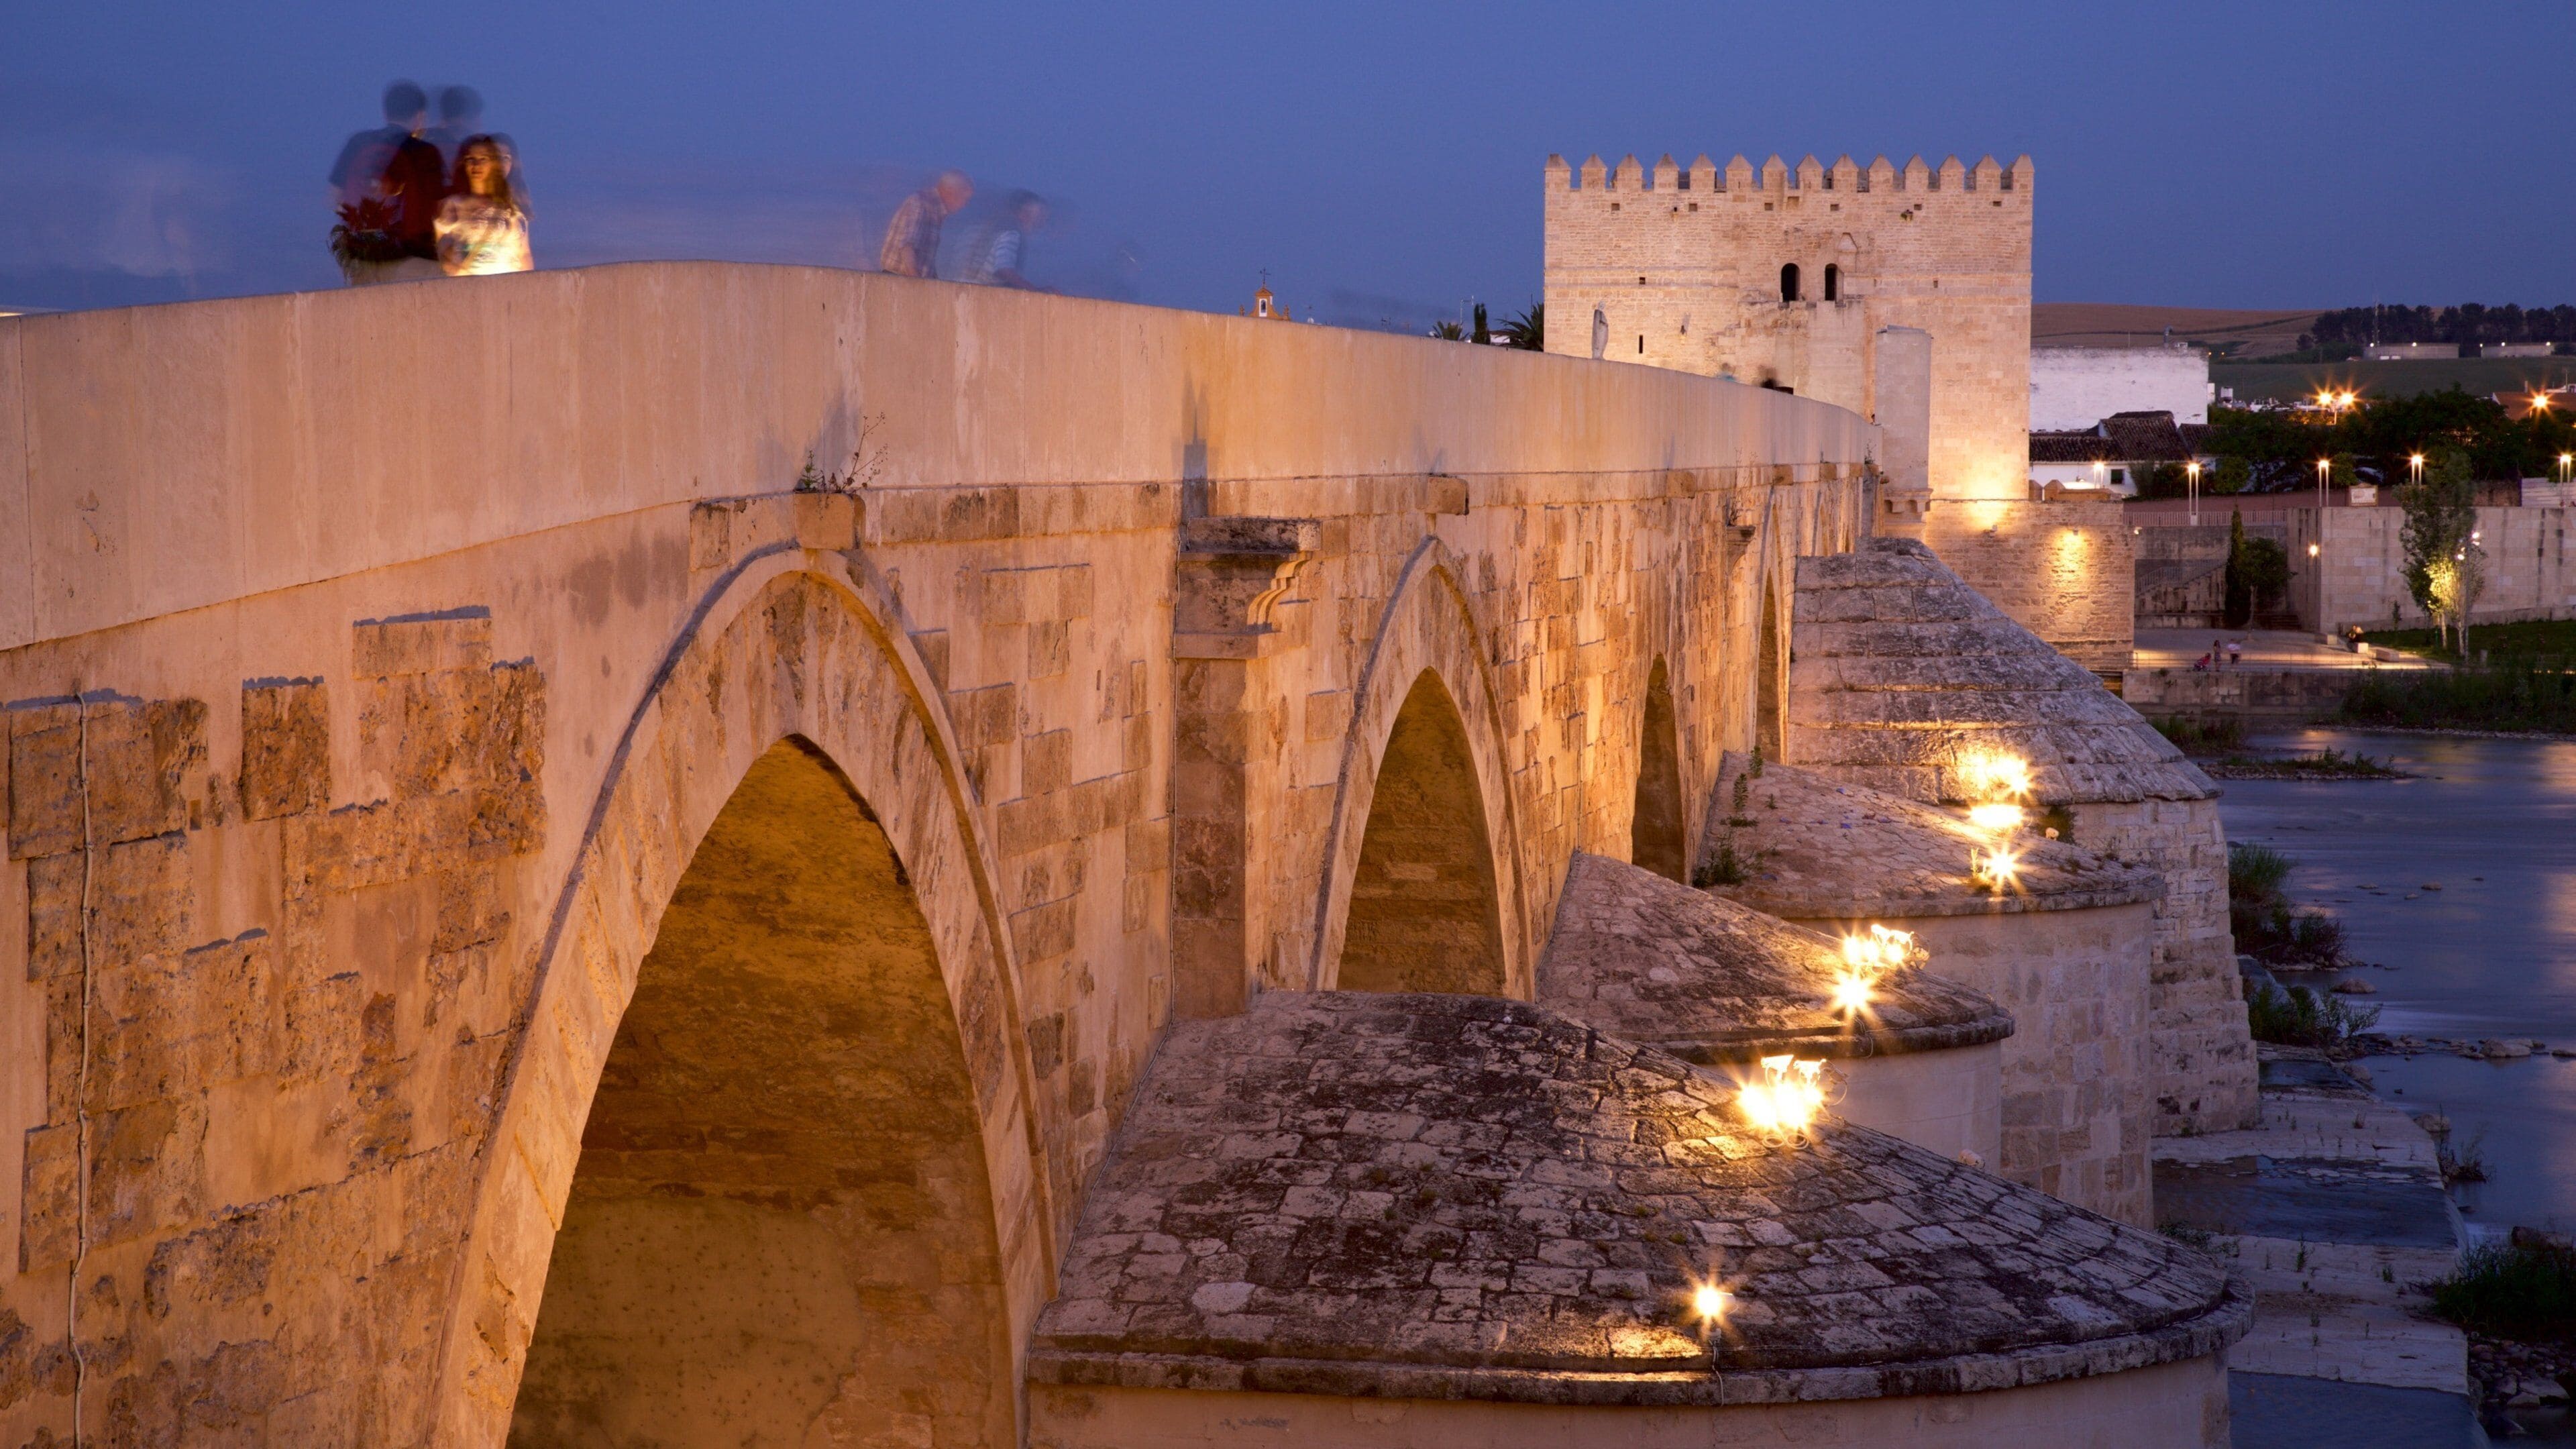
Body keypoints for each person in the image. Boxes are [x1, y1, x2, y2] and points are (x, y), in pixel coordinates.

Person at [327, 81, 445, 262]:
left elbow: (334, 198)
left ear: (385, 113)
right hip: (414, 257)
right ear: (420, 117)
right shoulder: (426, 152)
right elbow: (440, 210)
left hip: (362, 256)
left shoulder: (358, 143)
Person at [435, 136, 531, 276]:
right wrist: (451, 266)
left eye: (483, 159)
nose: (476, 165)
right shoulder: (455, 205)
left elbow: (524, 254)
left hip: (508, 287)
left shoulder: (512, 206)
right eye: (470, 159)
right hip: (470, 287)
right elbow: (439, 246)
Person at [879, 171, 972, 278]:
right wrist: (918, 284)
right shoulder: (921, 202)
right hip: (900, 281)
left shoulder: (936, 211)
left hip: (909, 281)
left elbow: (925, 261)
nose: (965, 205)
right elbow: (907, 246)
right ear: (950, 191)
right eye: (965, 198)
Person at [965, 191, 1049, 289]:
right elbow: (1004, 270)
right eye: (1040, 216)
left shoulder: (990, 229)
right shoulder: (1012, 233)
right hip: (980, 293)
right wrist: (1036, 292)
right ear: (1023, 213)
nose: (1042, 222)